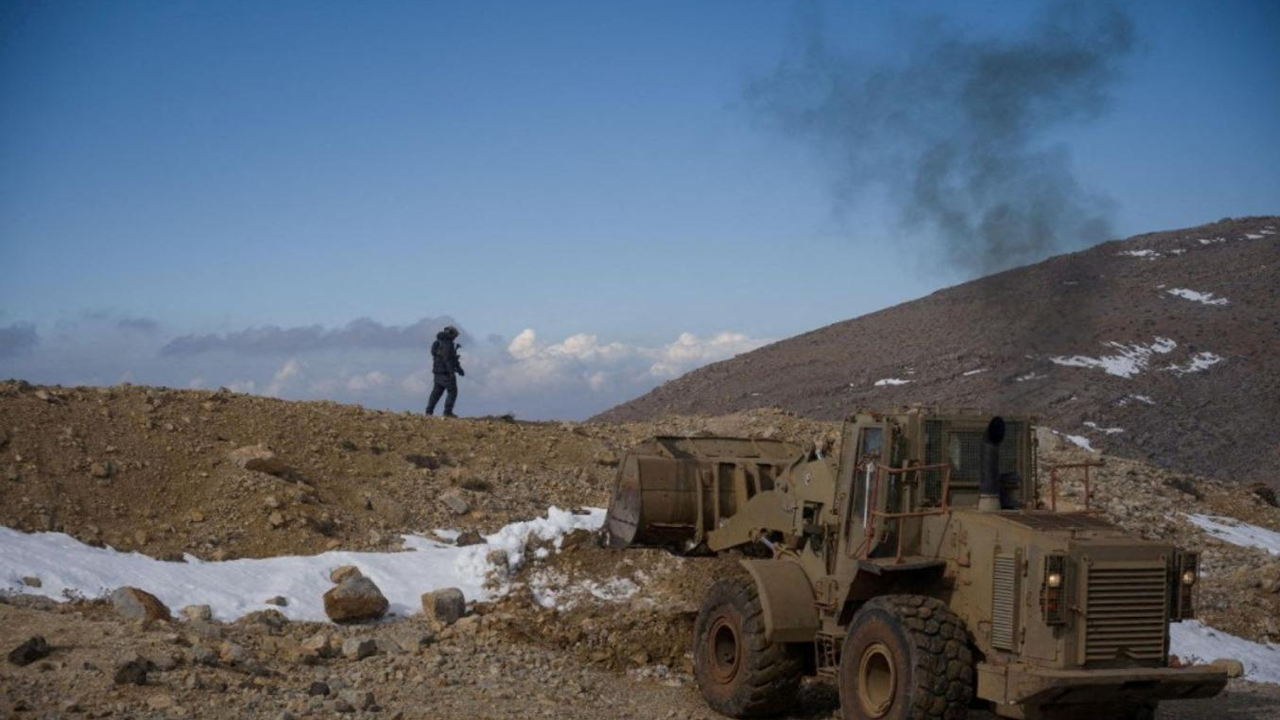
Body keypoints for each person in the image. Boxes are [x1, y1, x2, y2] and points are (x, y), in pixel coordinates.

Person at [426, 325, 464, 417]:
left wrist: (459, 369)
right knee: (452, 391)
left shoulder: (437, 342)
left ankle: (429, 412)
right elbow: (448, 359)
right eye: (455, 335)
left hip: (437, 372)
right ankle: (447, 412)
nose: (455, 337)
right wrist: (452, 372)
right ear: (451, 333)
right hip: (446, 373)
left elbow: (445, 357)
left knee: (436, 392)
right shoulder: (448, 344)